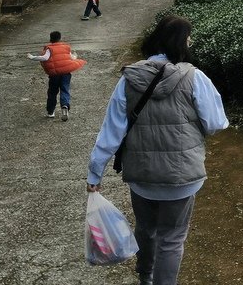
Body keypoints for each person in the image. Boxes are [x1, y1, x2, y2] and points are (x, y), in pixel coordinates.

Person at [87, 15, 229, 285]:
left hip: (142, 176)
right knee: (172, 239)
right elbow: (214, 123)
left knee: (146, 228)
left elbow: (111, 131)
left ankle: (145, 276)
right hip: (182, 178)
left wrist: (95, 173)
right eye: (189, 37)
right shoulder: (195, 77)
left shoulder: (130, 78)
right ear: (180, 42)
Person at [27, 30, 86, 121]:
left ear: (50, 39)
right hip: (66, 74)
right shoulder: (66, 47)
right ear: (60, 38)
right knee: (65, 90)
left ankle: (51, 112)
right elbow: (72, 58)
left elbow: (45, 58)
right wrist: (75, 55)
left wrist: (32, 57)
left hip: (55, 75)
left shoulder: (49, 48)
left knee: (52, 92)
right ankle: (65, 105)